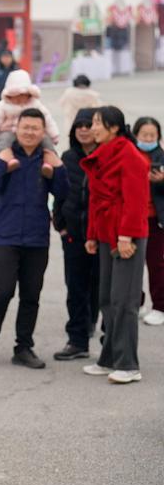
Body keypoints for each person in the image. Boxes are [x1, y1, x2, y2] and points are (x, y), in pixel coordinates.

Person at [0, 108, 68, 370]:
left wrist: (57, 168)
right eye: (25, 127)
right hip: (5, 235)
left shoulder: (47, 158)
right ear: (16, 128)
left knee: (31, 294)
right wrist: (2, 163)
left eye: (35, 128)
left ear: (43, 132)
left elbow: (63, 193)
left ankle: (23, 347)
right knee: (2, 291)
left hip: (37, 238)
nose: (29, 132)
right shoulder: (3, 153)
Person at [81, 106, 149, 384]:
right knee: (107, 299)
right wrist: (92, 235)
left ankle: (128, 364)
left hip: (126, 236)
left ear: (114, 128)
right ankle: (109, 358)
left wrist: (126, 237)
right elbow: (96, 201)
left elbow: (135, 201)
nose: (92, 128)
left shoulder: (130, 155)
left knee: (125, 301)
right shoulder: (102, 153)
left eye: (98, 123)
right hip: (107, 233)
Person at [51, 108, 100, 360]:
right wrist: (60, 224)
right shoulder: (68, 157)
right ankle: (77, 340)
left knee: (100, 286)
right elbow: (60, 193)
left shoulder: (106, 156)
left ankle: (98, 328)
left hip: (102, 235)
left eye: (88, 125)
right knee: (76, 287)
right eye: (78, 125)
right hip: (73, 234)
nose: (83, 129)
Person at [0, 69, 59, 177]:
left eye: (22, 95)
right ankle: (8, 160)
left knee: (46, 140)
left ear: (29, 93)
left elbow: (47, 118)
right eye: (15, 95)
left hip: (29, 131)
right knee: (4, 142)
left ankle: (49, 162)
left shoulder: (35, 104)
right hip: (8, 130)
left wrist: (54, 135)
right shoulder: (3, 105)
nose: (19, 98)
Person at [133, 116, 164, 326]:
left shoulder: (161, 156)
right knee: (132, 265)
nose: (148, 138)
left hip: (155, 220)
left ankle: (160, 306)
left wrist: (161, 182)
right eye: (144, 135)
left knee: (157, 264)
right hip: (133, 218)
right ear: (136, 135)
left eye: (152, 135)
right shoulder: (130, 154)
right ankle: (138, 302)